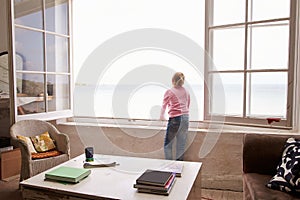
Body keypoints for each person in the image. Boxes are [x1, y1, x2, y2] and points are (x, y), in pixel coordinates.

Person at [160, 72, 190, 161]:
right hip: (185, 118)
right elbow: (188, 104)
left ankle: (169, 169)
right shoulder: (186, 91)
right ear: (182, 81)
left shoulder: (169, 92)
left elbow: (164, 105)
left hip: (175, 119)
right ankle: (178, 170)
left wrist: (162, 115)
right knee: (181, 146)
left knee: (168, 145)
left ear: (172, 81)